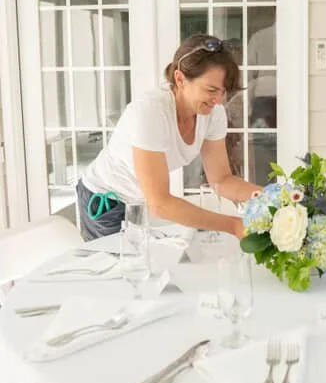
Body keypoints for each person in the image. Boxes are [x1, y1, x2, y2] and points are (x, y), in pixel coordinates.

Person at [76, 34, 262, 240]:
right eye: (211, 90)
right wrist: (234, 226)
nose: (218, 100)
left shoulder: (212, 113)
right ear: (180, 79)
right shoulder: (150, 112)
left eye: (223, 92)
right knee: (127, 269)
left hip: (142, 201)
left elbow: (221, 180)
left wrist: (272, 197)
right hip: (106, 200)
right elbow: (161, 204)